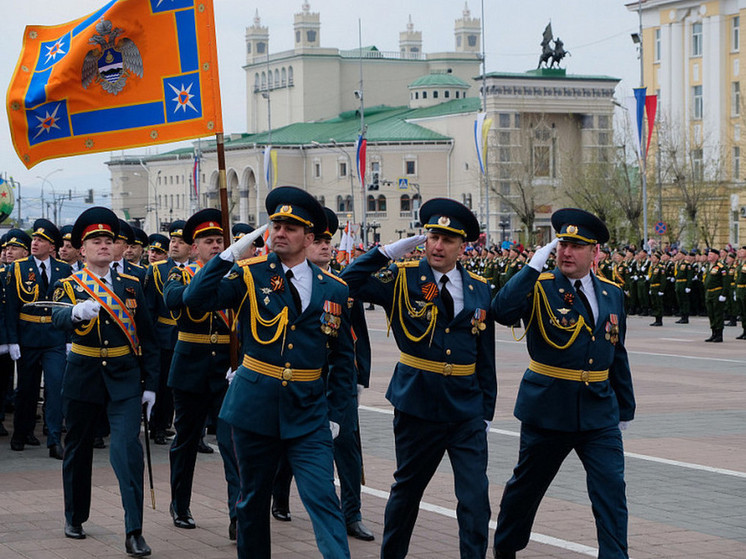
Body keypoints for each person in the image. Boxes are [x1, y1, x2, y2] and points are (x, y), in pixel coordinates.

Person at [182, 186, 355, 559]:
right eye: (276, 224)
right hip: (255, 407)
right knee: (252, 501)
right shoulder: (248, 274)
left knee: (323, 497)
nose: (279, 232)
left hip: (309, 413)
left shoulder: (335, 290)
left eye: (291, 227)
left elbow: (342, 361)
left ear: (310, 238)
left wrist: (337, 415)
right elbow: (194, 299)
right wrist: (228, 255)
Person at [341, 198, 497, 559]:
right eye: (432, 237)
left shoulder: (478, 287)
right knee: (408, 492)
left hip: (465, 409)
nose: (437, 246)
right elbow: (346, 283)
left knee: (475, 498)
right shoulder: (401, 277)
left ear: (463, 245)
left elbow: (484, 354)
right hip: (417, 404)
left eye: (447, 239)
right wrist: (384, 253)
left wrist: (486, 409)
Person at [491, 208, 635, 559]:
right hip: (548, 411)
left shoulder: (612, 293)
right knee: (526, 488)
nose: (566, 252)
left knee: (611, 491)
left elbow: (616, 352)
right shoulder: (539, 286)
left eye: (576, 246)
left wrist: (625, 408)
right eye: (562, 244)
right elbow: (502, 311)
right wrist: (530, 267)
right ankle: (506, 547)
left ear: (594, 252)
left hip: (599, 412)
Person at [51, 207, 158, 557]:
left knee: (126, 450)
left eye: (108, 240)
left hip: (125, 378)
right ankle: (75, 516)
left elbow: (148, 337)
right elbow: (56, 316)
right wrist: (75, 313)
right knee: (78, 449)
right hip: (83, 375)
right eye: (95, 240)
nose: (103, 245)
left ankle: (134, 531)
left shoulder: (131, 285)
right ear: (82, 250)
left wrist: (151, 385)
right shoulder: (68, 284)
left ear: (115, 248)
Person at [271, 207, 375, 541]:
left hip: (338, 382)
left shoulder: (340, 287)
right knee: (291, 444)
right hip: (301, 378)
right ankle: (281, 498)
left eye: (329, 241)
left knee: (347, 447)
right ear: (307, 244)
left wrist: (361, 378)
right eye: (321, 242)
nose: (326, 247)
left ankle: (352, 514)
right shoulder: (282, 283)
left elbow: (356, 337)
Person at [162, 209, 242, 540]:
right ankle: (180, 504)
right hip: (191, 367)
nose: (214, 245)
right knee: (186, 438)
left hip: (227, 368)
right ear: (194, 248)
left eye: (219, 241)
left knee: (232, 442)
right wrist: (210, 274)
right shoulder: (180, 275)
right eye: (208, 241)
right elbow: (174, 300)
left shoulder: (239, 277)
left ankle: (238, 512)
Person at [6, 219, 71, 459]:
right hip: (28, 336)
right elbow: (11, 306)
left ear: (52, 246)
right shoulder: (18, 268)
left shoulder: (63, 269)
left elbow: (67, 304)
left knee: (55, 388)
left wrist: (68, 338)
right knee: (26, 389)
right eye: (34, 238)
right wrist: (12, 340)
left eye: (41, 240)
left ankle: (54, 439)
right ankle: (21, 433)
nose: (35, 242)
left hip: (54, 336)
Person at [141, 222, 188, 446]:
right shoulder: (157, 269)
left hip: (190, 335)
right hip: (164, 334)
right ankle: (158, 426)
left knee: (184, 385)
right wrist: (147, 340)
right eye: (173, 241)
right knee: (163, 384)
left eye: (181, 241)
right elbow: (149, 308)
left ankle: (181, 429)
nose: (175, 245)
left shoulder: (197, 269)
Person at [703, 248, 728, 343]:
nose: (709, 256)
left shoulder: (721, 267)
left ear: (717, 256)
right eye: (708, 254)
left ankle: (719, 334)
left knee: (718, 313)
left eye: (711, 254)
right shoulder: (708, 266)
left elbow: (726, 282)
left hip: (717, 292)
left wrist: (723, 294)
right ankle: (713, 333)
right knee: (711, 313)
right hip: (709, 292)